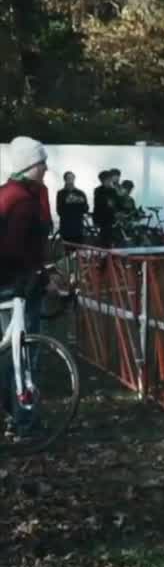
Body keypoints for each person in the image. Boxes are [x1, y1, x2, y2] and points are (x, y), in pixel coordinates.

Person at [0, 137, 51, 432]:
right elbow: (17, 249)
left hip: (11, 283)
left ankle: (14, 416)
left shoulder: (8, 192)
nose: (46, 167)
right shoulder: (22, 200)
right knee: (24, 356)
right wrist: (34, 278)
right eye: (42, 162)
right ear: (31, 166)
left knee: (9, 353)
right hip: (19, 287)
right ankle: (25, 420)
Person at [55, 172, 90, 247]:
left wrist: (79, 202)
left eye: (72, 178)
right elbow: (59, 210)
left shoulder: (80, 193)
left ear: (74, 179)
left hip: (78, 227)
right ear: (65, 180)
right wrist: (71, 203)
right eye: (68, 178)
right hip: (66, 227)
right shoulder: (60, 193)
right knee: (68, 252)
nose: (70, 180)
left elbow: (86, 208)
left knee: (79, 251)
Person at [92, 170, 118, 248]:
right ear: (102, 181)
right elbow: (100, 204)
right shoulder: (98, 190)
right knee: (105, 239)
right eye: (108, 180)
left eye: (110, 179)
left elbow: (116, 203)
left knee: (111, 238)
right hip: (102, 218)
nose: (110, 181)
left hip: (111, 217)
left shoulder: (113, 190)